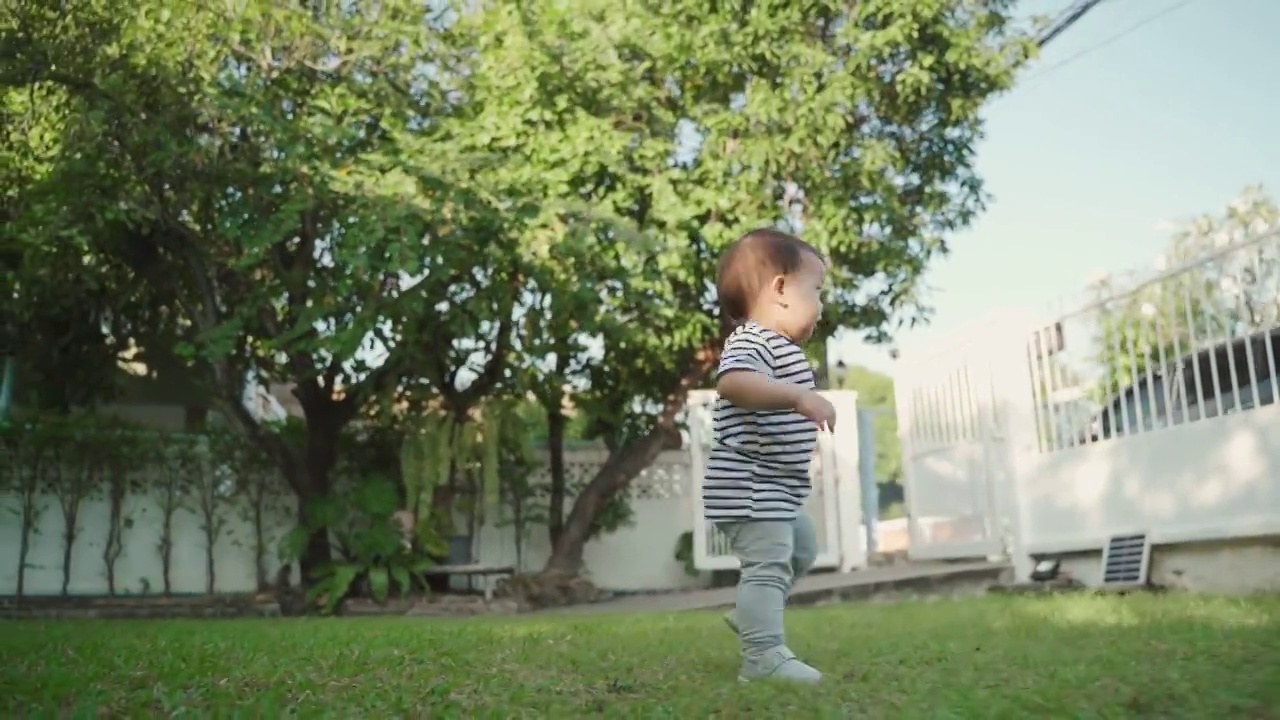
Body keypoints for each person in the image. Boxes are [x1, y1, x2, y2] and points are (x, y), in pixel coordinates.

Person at [704, 227, 835, 684]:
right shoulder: (752, 341)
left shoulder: (780, 348)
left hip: (774, 487)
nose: (820, 306)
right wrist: (798, 398)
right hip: (750, 484)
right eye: (815, 291)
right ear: (780, 289)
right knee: (768, 564)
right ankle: (762, 657)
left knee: (802, 548)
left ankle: (752, 612)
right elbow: (733, 384)